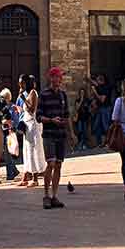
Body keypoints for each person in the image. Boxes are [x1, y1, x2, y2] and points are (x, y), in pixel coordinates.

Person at [36, 67, 69, 209]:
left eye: (61, 77)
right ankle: (46, 195)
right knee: (51, 164)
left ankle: (55, 195)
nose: (59, 80)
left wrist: (70, 131)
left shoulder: (63, 95)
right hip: (49, 134)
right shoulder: (43, 95)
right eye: (57, 77)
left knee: (59, 165)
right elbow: (38, 117)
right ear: (51, 78)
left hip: (61, 134)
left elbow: (67, 114)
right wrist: (51, 120)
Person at [19, 75, 45, 188]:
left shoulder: (33, 93)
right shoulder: (28, 93)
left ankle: (35, 178)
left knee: (34, 150)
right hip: (28, 125)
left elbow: (32, 109)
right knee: (27, 150)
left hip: (33, 125)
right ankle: (27, 175)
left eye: (21, 83)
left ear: (26, 83)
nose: (20, 85)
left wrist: (23, 99)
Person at [0, 88, 20, 181]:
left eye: (3, 98)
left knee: (8, 153)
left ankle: (10, 174)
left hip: (10, 132)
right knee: (7, 153)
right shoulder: (1, 107)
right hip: (3, 132)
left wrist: (8, 123)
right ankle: (14, 171)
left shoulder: (12, 107)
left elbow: (15, 120)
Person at [91, 74, 111, 147]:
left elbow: (102, 100)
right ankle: (99, 143)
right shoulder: (100, 86)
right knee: (97, 126)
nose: (96, 81)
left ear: (101, 80)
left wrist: (94, 92)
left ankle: (108, 143)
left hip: (105, 109)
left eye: (98, 80)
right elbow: (95, 84)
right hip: (100, 109)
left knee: (105, 126)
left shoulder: (105, 88)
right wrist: (88, 79)